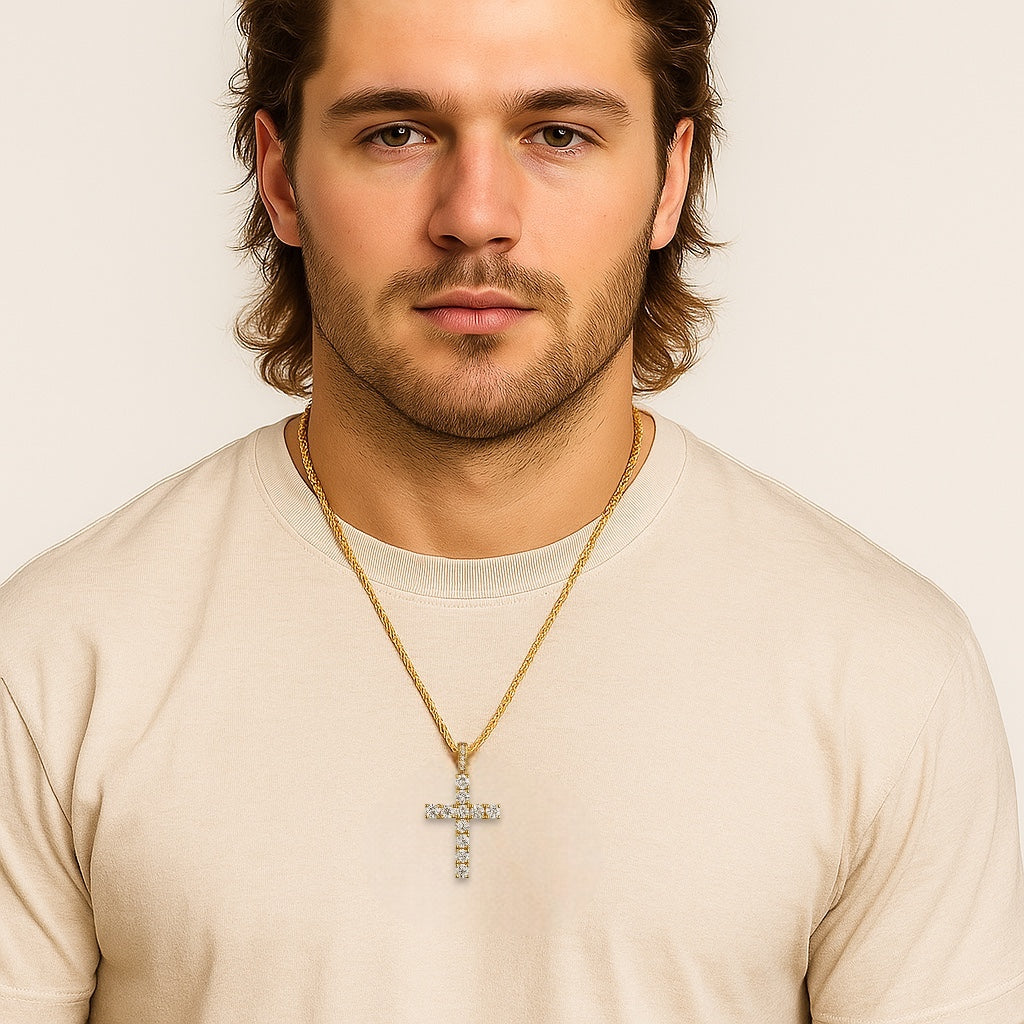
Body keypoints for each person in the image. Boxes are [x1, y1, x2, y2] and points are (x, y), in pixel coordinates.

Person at [1, 0, 1022, 1020]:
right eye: (395, 132)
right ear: (282, 177)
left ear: (669, 179)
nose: (475, 212)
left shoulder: (881, 668)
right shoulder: (57, 658)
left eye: (558, 133)